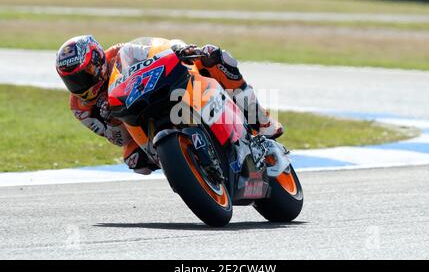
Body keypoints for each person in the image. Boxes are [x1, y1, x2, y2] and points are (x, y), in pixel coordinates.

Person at [55, 35, 283, 175]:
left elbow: (157, 49)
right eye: (71, 80)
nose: (78, 85)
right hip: (133, 122)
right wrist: (111, 119)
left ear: (97, 62)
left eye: (82, 76)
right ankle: (190, 168)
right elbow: (114, 138)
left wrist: (180, 49)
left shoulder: (118, 53)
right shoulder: (80, 107)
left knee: (216, 57)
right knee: (136, 163)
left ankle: (260, 120)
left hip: (161, 86)